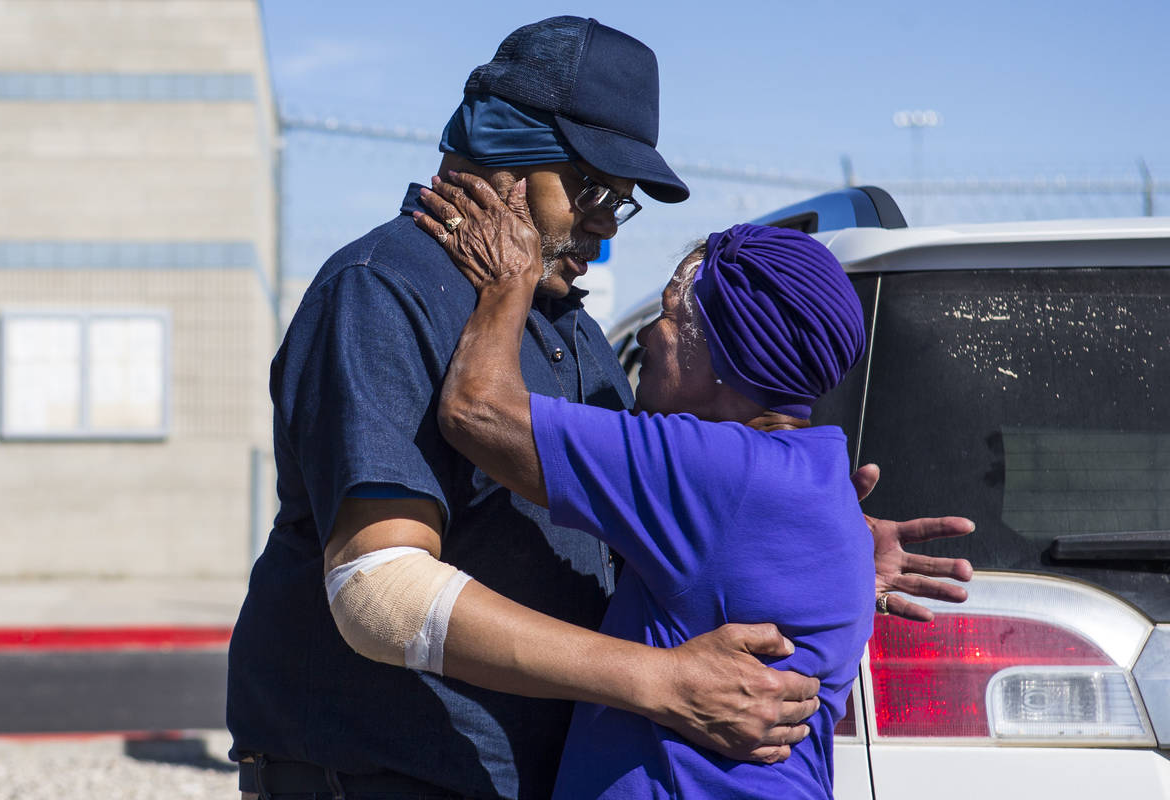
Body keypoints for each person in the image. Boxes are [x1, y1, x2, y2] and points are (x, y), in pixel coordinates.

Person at [227, 15, 974, 800]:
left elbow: (681, 504)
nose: (605, 223)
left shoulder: (568, 329)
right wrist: (659, 680)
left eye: (620, 202)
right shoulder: (384, 289)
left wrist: (815, 544)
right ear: (501, 149)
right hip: (378, 778)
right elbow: (377, 591)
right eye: (588, 188)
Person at [418, 172, 876, 798]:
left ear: (719, 356)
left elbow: (477, 410)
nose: (646, 339)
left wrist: (509, 282)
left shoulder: (709, 467)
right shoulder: (818, 478)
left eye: (666, 315)